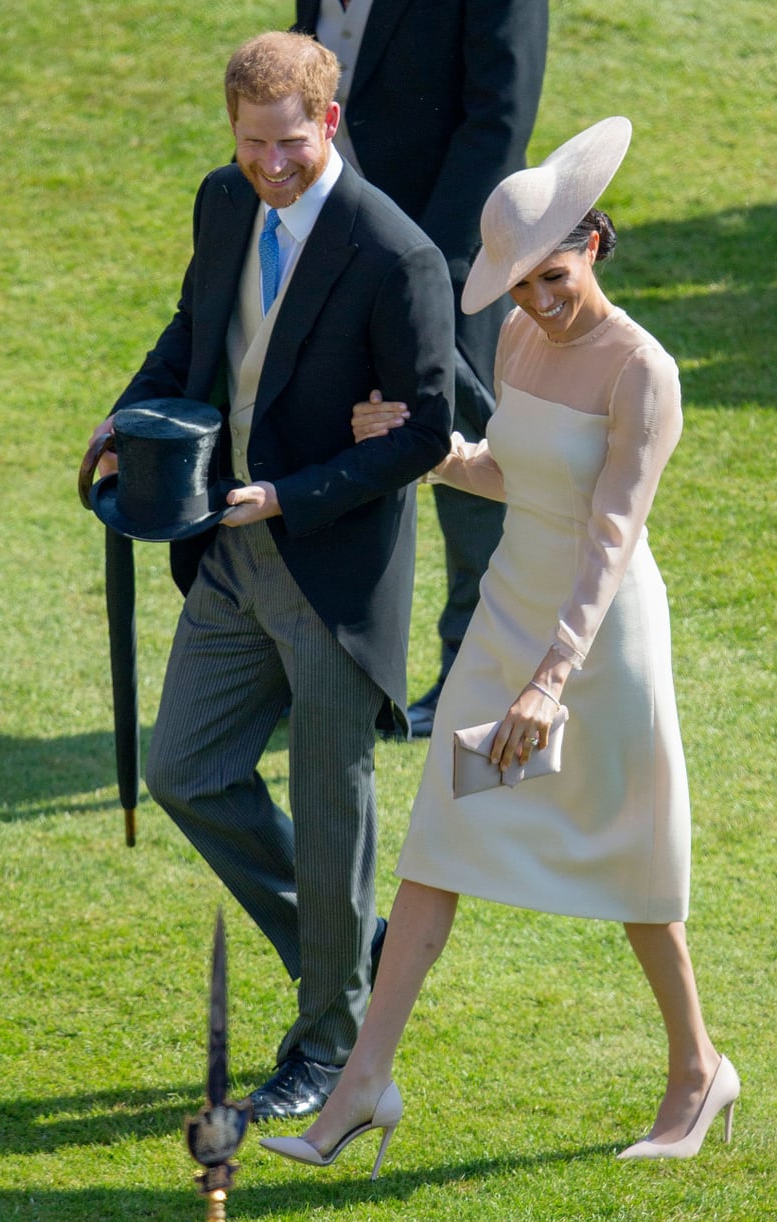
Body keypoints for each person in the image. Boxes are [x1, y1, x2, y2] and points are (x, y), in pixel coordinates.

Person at [259, 117, 740, 1171]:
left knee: (633, 867)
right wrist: (427, 454)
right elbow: (515, 471)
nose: (536, 302)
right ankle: (362, 1085)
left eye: (554, 277)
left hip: (597, 639)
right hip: (506, 614)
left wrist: (551, 684)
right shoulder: (522, 337)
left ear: (594, 244)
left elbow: (609, 536)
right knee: (440, 841)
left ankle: (699, 1071)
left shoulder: (643, 372)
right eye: (520, 286)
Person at [87, 30, 454, 1120]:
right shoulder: (221, 198)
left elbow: (428, 431)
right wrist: (131, 406)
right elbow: (196, 326)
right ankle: (354, 957)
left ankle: (332, 1040)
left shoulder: (398, 256)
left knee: (332, 810)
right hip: (230, 552)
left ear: (328, 123)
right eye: (252, 145)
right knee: (187, 771)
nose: (270, 165)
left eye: (288, 144)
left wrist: (295, 492)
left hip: (333, 573)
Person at [294, 0, 549, 735]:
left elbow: (500, 118)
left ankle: (479, 673)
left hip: (453, 266)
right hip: (340, 250)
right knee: (344, 442)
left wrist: (433, 269)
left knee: (468, 468)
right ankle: (333, 666)